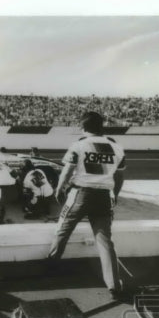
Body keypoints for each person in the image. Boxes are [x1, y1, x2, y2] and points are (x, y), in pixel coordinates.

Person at [48, 111, 127, 297]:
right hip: (104, 196)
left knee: (62, 229)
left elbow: (67, 171)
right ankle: (114, 285)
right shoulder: (117, 147)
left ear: (82, 127)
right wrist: (114, 195)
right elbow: (119, 177)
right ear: (102, 127)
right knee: (105, 240)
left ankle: (51, 266)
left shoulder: (79, 145)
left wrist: (59, 189)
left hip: (81, 194)